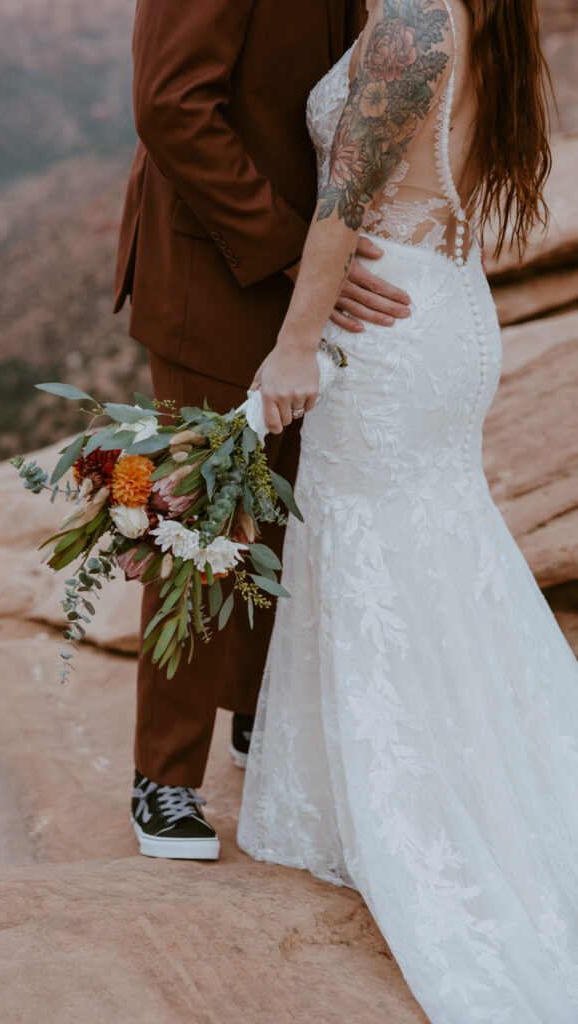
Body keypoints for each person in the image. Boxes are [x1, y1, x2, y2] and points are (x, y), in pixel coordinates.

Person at [238, 0, 578, 1019]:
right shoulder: (482, 14)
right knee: (434, 547)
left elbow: (342, 199)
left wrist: (293, 342)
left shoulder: (417, 18)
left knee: (374, 551)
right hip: (444, 297)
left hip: (388, 329)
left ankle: (427, 815)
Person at [113, 0, 415, 860]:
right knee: (200, 516)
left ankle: (257, 716)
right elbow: (170, 107)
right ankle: (163, 775)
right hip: (215, 266)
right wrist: (290, 249)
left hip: (314, 269)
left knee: (287, 506)